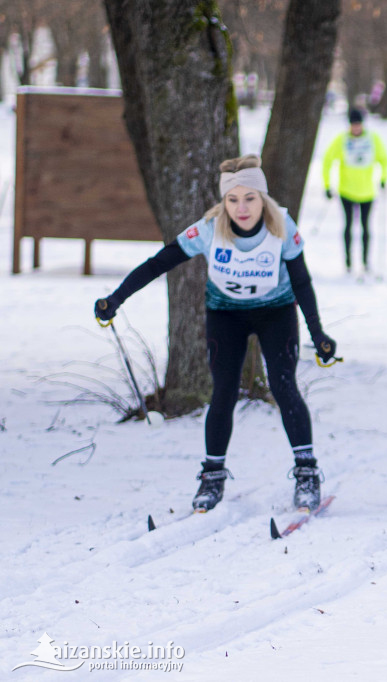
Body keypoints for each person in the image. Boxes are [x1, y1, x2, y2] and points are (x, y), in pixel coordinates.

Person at [94, 155, 337, 513]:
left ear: (263, 198)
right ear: (223, 201)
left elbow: (301, 281)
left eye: (250, 198)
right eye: (232, 199)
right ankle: (212, 477)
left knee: (284, 385)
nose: (241, 208)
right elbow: (160, 262)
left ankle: (306, 473)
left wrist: (318, 334)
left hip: (276, 312)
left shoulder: (281, 225)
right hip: (226, 314)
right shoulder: (209, 227)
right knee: (222, 391)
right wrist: (115, 298)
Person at [322, 108, 387, 276]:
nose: (356, 128)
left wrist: (383, 178)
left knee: (366, 227)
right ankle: (348, 262)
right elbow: (327, 161)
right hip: (346, 192)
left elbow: (384, 160)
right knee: (348, 227)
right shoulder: (342, 140)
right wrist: (327, 185)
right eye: (353, 124)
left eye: (358, 124)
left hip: (367, 192)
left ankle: (366, 262)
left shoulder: (372, 139)